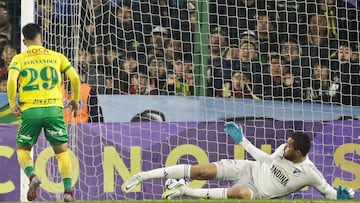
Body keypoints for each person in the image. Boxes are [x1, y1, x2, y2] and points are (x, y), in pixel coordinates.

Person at [122, 122, 355, 200]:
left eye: (291, 145)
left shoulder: (309, 172)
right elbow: (265, 161)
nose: (286, 145)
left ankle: (183, 190)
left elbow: (327, 192)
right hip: (250, 168)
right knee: (201, 171)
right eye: (288, 142)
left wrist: (340, 196)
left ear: (299, 152)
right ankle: (142, 176)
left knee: (242, 195)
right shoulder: (284, 149)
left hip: (257, 190)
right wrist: (242, 141)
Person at [7, 23, 79, 202]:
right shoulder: (57, 56)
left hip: (30, 110)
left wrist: (11, 103)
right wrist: (75, 99)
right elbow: (75, 78)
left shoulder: (19, 58)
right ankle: (68, 192)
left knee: (23, 149)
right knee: (62, 153)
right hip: (54, 109)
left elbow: (11, 79)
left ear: (24, 41)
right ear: (42, 39)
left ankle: (33, 176)